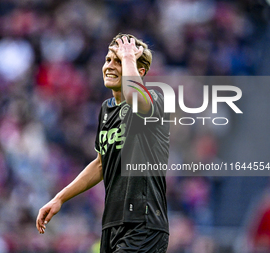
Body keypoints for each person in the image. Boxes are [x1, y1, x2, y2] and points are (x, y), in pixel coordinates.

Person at [36, 33, 170, 252]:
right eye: (108, 59)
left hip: (144, 224)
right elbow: (100, 164)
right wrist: (59, 198)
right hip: (113, 224)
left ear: (140, 71)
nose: (110, 66)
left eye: (118, 61)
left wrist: (128, 59)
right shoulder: (107, 110)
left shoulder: (154, 100)